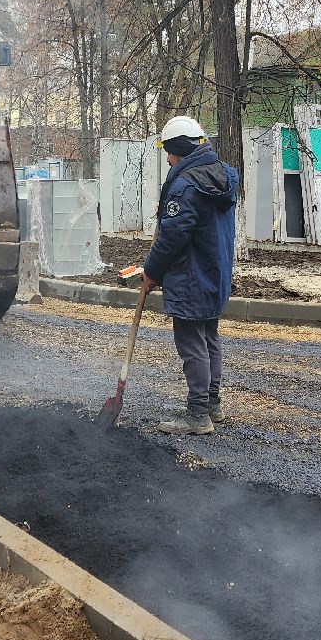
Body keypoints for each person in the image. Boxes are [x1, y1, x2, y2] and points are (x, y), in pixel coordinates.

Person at [142, 115, 239, 436]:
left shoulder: (185, 185)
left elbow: (172, 237)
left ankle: (198, 415)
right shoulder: (219, 176)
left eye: (169, 152)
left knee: (192, 344)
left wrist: (151, 271)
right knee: (209, 337)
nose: (167, 158)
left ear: (182, 149)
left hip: (192, 276)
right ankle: (212, 404)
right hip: (215, 273)